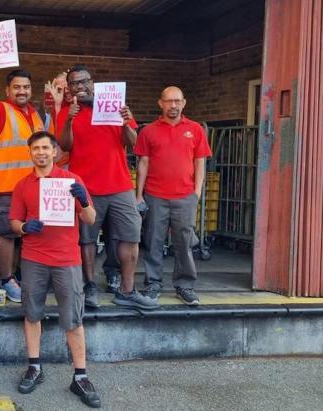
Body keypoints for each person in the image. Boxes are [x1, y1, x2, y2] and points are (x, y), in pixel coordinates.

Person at [9, 130, 100, 408]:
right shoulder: (23, 185)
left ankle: (81, 376)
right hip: (34, 258)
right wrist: (25, 227)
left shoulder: (71, 181)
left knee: (73, 318)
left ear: (55, 152)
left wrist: (83, 200)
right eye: (35, 148)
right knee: (32, 314)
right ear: (30, 153)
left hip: (67, 259)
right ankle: (34, 367)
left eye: (45, 148)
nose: (41, 153)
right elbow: (13, 221)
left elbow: (90, 218)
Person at [58, 64, 158, 310]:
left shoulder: (115, 108)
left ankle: (127, 290)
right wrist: (69, 119)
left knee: (130, 236)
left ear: (93, 83)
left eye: (84, 81)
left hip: (119, 185)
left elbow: (135, 144)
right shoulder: (66, 111)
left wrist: (125, 123)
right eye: (75, 83)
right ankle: (90, 286)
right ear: (69, 89)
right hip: (86, 187)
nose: (80, 86)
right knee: (86, 239)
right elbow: (65, 145)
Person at [0, 45, 45, 303]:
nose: (22, 91)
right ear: (7, 91)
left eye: (26, 87)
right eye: (17, 87)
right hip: (6, 187)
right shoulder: (1, 111)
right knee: (7, 234)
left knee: (26, 233)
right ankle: (6, 279)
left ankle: (18, 275)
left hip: (32, 186)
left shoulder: (34, 115)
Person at [135, 86, 212, 306]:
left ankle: (185, 286)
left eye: (177, 101)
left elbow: (200, 162)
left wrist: (196, 192)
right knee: (153, 241)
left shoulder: (196, 129)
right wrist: (139, 195)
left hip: (185, 196)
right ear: (160, 103)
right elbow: (143, 163)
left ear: (184, 103)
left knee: (184, 243)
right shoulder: (148, 131)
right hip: (155, 195)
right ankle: (153, 284)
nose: (173, 105)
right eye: (169, 101)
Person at [46, 70, 121, 295]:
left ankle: (112, 272)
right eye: (59, 89)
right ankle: (76, 278)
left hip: (102, 179)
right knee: (79, 233)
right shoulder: (54, 114)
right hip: (69, 178)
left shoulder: (105, 107)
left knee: (113, 231)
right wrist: (61, 110)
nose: (67, 91)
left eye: (65, 87)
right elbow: (59, 146)